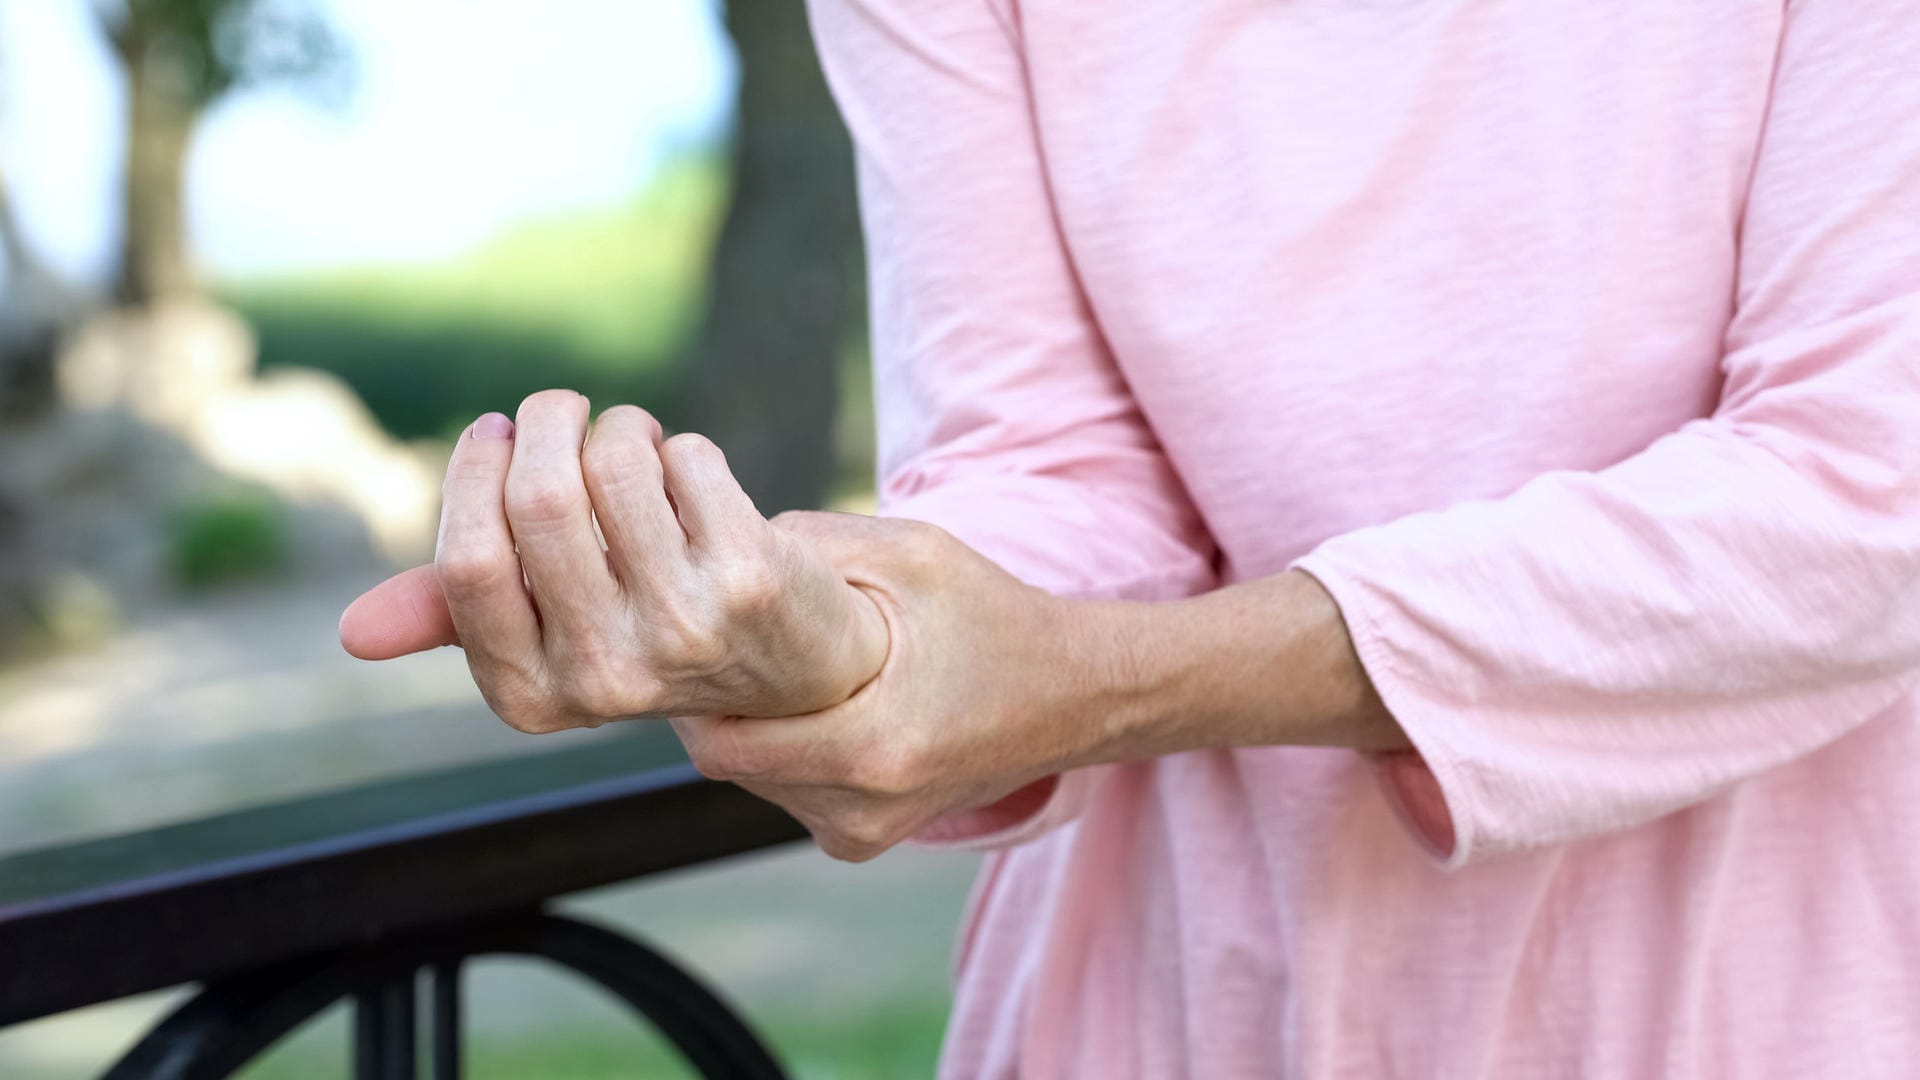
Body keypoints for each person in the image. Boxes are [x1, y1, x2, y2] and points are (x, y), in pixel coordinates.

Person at [340, 0, 1920, 1074]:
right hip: (1169, 1005)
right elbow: (1054, 462)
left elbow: (1866, 489)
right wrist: (858, 638)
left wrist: (1106, 679)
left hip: (1766, 994)